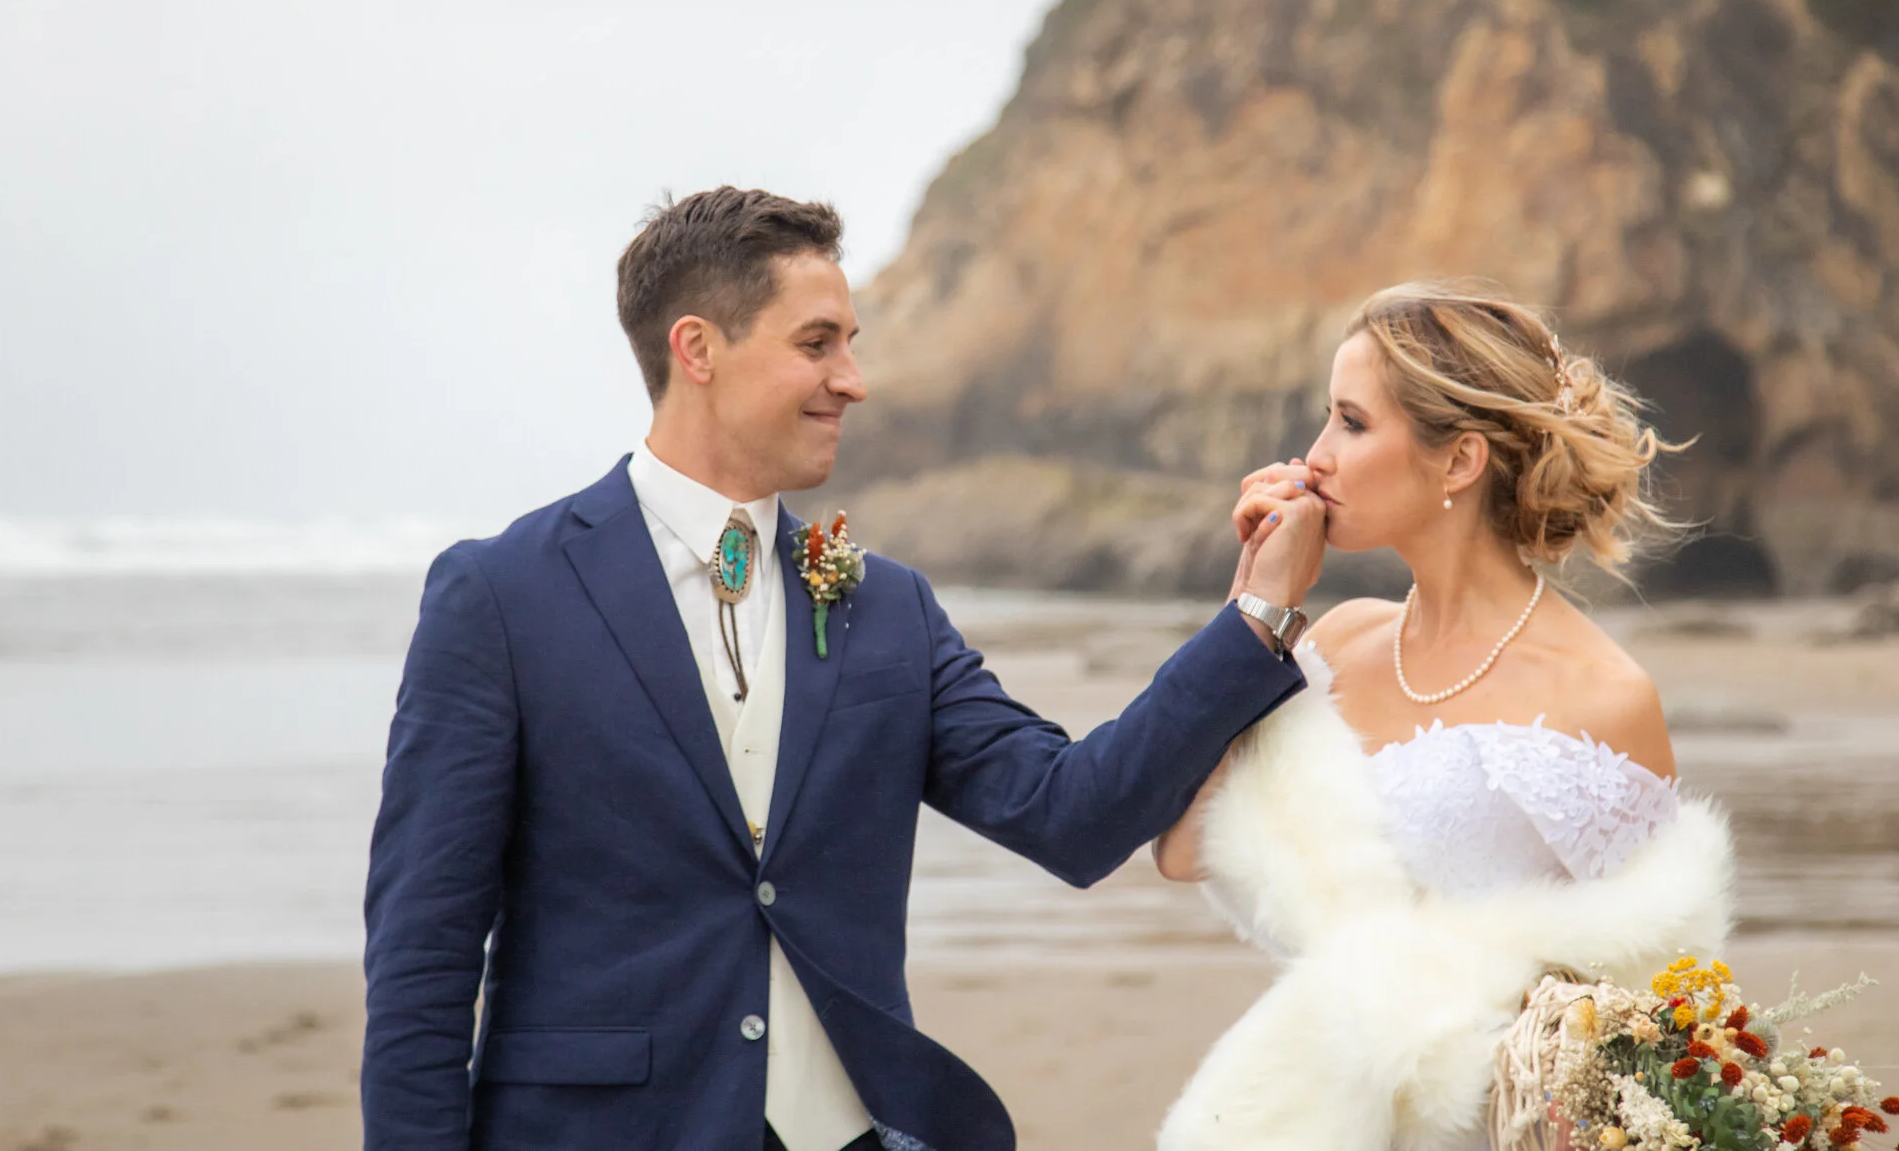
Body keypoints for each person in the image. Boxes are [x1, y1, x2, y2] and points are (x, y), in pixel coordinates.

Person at [359, 186, 1326, 1151]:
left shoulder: (884, 605)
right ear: (697, 350)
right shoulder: (501, 596)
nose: (853, 379)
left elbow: (1073, 814)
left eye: (850, 343)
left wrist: (1256, 616)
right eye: (817, 344)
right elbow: (422, 954)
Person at [1152, 283, 1733, 1151]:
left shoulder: (1601, 694)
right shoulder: (1340, 641)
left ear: (1459, 461)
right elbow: (1180, 848)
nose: (1314, 457)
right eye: (1326, 419)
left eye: (1351, 423)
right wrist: (1255, 603)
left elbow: (1660, 1011)